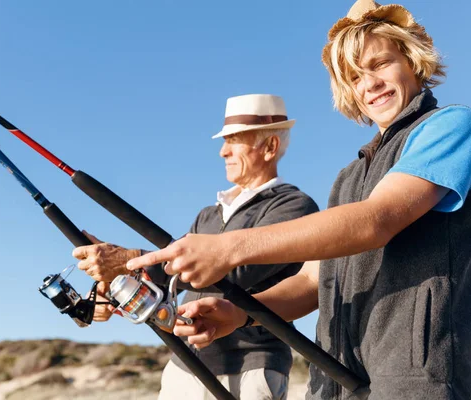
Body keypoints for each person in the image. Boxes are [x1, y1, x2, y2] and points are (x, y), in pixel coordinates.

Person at [126, 1, 471, 399]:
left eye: (380, 64)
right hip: (332, 385)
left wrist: (228, 248)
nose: (369, 84)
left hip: (415, 383)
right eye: (354, 76)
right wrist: (236, 314)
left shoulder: (452, 126)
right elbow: (309, 281)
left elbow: (377, 220)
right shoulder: (348, 178)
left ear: (412, 58)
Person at [72, 93, 319, 400]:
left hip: (251, 369)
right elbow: (172, 278)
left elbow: (233, 272)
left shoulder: (294, 207)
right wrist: (118, 286)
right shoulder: (208, 215)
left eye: (234, 140)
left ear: (270, 147)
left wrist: (128, 260)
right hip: (184, 364)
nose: (222, 151)